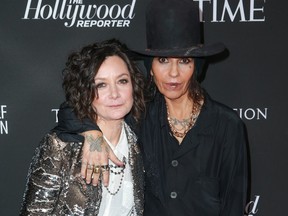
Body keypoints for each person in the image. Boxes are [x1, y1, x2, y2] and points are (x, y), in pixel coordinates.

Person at [56, 0, 248, 215]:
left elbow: (234, 204)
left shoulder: (227, 125)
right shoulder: (138, 113)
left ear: (196, 67)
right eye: (163, 60)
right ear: (151, 67)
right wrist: (92, 133)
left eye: (184, 61)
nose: (173, 73)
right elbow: (71, 109)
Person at [20, 39, 145, 215]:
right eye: (101, 85)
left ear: (133, 84)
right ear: (85, 92)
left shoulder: (141, 141)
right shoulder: (60, 147)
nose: (115, 94)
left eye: (122, 81)